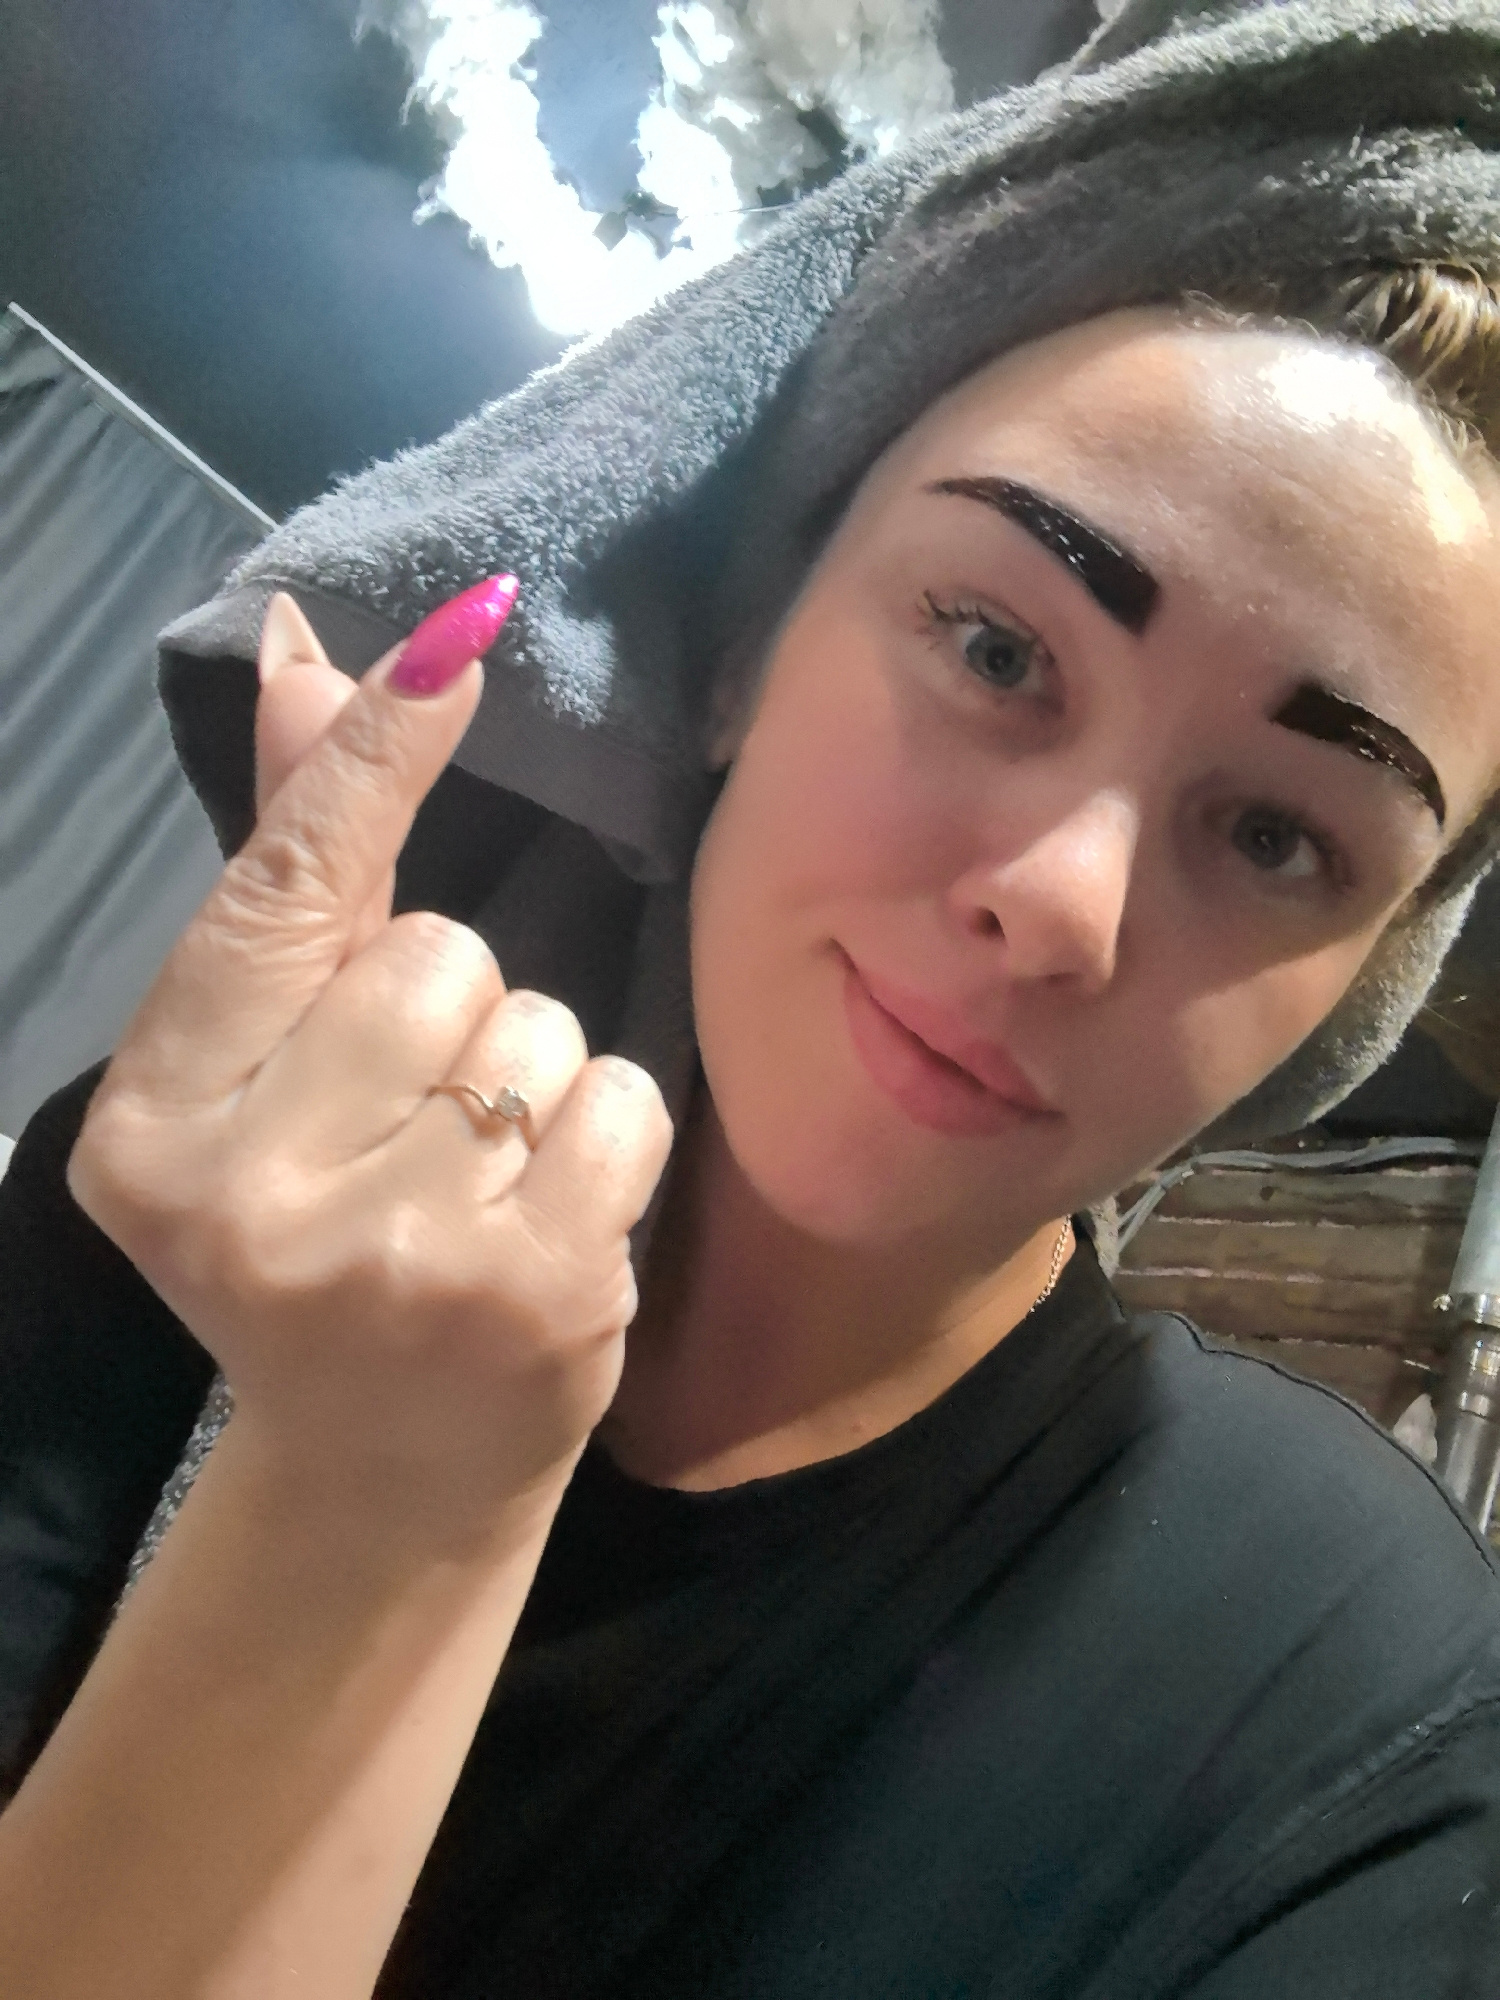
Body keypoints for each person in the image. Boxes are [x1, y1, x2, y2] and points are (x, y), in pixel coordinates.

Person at [3, 4, 1500, 1995]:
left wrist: (380, 1510)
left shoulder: (1354, 1714)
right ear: (736, 649)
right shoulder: (210, 1206)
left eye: (1282, 836)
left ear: (1351, 995)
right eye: (997, 647)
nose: (1060, 906)